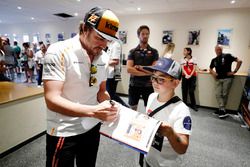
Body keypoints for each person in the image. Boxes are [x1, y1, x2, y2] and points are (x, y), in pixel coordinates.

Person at [43, 7, 120, 167]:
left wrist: (109, 104)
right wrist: (93, 111)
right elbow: (51, 99)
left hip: (92, 127)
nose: (104, 45)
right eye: (99, 38)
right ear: (84, 28)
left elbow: (101, 91)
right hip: (64, 130)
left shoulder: (104, 57)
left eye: (108, 40)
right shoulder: (58, 51)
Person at [143, 57, 192, 167]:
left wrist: (170, 133)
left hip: (167, 163)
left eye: (161, 79)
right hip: (149, 157)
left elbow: (182, 148)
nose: (155, 82)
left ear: (175, 83)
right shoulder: (152, 97)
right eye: (153, 77)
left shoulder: (181, 110)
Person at [126, 25, 159, 111]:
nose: (145, 36)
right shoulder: (132, 51)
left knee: (149, 110)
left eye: (147, 34)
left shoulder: (154, 52)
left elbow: (155, 69)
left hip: (148, 85)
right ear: (138, 35)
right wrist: (148, 71)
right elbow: (129, 69)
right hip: (134, 85)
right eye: (143, 34)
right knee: (132, 109)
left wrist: (140, 68)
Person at [209, 45, 242, 118]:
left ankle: (221, 109)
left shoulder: (228, 56)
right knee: (218, 94)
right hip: (218, 79)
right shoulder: (214, 60)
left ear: (222, 49)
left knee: (224, 94)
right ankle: (222, 109)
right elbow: (210, 69)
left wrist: (234, 71)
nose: (218, 51)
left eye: (220, 49)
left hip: (227, 78)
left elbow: (239, 61)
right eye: (217, 49)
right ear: (215, 50)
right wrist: (214, 73)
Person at [106, 40, 129, 107]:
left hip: (113, 74)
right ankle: (124, 107)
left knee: (110, 94)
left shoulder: (115, 44)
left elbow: (115, 61)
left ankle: (125, 107)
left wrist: (103, 61)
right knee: (111, 94)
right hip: (112, 73)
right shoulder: (111, 44)